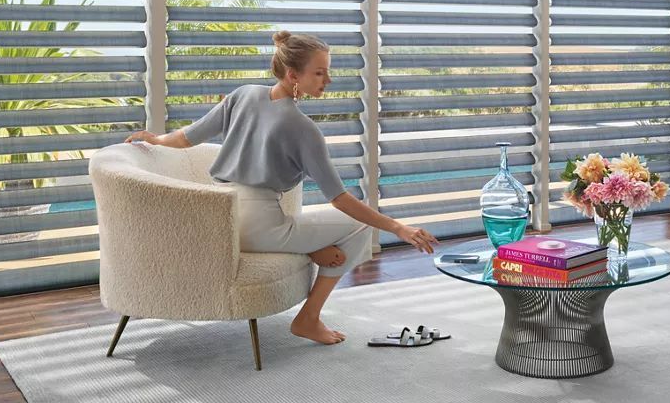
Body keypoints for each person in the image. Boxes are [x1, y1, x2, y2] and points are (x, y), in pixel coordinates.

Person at [126, 30, 440, 345]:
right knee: (358, 226)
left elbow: (185, 138)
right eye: (319, 72)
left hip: (220, 219)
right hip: (260, 225)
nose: (327, 80)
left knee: (327, 237)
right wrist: (398, 227)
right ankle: (308, 318)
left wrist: (154, 139)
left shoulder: (243, 94)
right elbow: (340, 199)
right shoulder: (303, 129)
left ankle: (310, 248)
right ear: (293, 75)